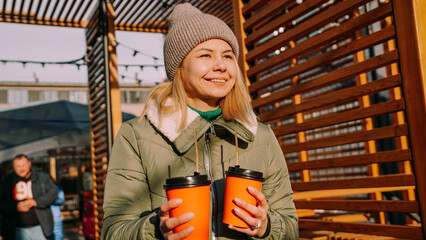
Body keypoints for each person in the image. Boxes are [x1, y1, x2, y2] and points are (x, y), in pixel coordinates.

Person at [101, 3, 298, 240]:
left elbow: (290, 228)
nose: (221, 66)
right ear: (179, 68)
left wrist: (266, 226)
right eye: (205, 55)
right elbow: (113, 231)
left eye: (227, 56)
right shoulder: (137, 134)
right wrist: (155, 230)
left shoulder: (260, 135)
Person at [0, 154, 59, 240]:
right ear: (13, 167)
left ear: (29, 164)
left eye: (23, 165)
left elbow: (53, 192)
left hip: (40, 228)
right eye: (18, 166)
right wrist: (16, 207)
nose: (21, 168)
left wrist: (36, 202)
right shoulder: (6, 182)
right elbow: (1, 205)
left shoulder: (42, 177)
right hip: (16, 229)